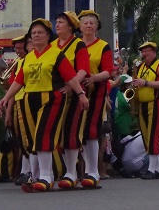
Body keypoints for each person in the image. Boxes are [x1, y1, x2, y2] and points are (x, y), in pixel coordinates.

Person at [0, 18, 89, 192]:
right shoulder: (28, 57)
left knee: (42, 135)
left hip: (51, 99)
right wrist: (6, 98)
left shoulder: (56, 54)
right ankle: (36, 176)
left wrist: (81, 95)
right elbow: (19, 81)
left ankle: (46, 176)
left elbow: (70, 77)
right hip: (29, 99)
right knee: (31, 140)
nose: (36, 36)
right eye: (34, 33)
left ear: (48, 36)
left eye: (40, 32)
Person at [51, 11, 89, 190]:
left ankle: (72, 173)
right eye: (56, 22)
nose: (57, 25)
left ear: (71, 26)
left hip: (73, 94)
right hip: (55, 95)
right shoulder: (51, 45)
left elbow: (83, 70)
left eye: (61, 22)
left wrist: (72, 86)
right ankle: (63, 171)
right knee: (57, 133)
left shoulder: (78, 44)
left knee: (71, 131)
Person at [78, 9, 113, 188]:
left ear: (97, 26)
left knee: (92, 132)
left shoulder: (103, 46)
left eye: (92, 22)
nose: (89, 25)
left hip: (96, 91)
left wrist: (93, 78)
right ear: (80, 26)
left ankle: (93, 171)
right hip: (76, 91)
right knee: (76, 132)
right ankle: (76, 171)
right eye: (85, 22)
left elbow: (108, 71)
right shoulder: (76, 45)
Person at [130, 41, 159, 180]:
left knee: (154, 135)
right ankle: (155, 168)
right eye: (143, 51)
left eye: (147, 51)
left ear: (154, 52)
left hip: (156, 103)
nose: (144, 54)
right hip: (142, 105)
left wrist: (145, 83)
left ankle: (153, 169)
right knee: (146, 136)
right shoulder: (140, 67)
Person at [4, 35, 31, 184]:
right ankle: (24, 170)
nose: (18, 51)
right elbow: (12, 87)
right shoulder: (18, 62)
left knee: (28, 138)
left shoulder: (30, 60)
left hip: (28, 100)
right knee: (20, 139)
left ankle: (28, 170)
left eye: (20, 48)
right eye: (16, 49)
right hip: (17, 102)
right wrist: (8, 113)